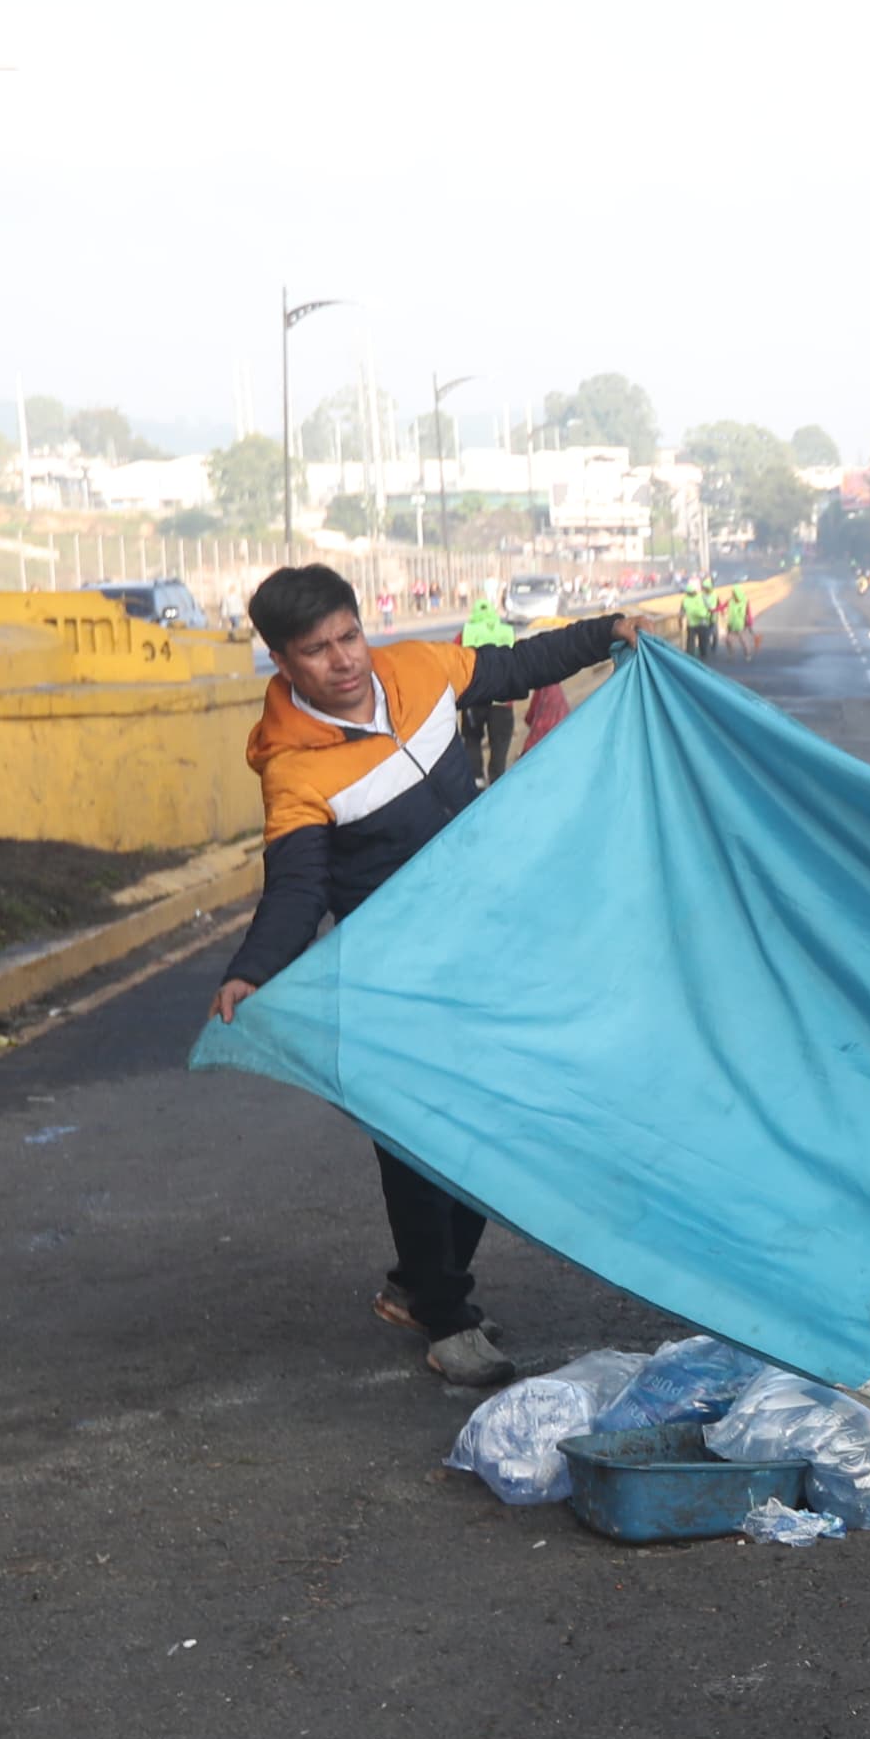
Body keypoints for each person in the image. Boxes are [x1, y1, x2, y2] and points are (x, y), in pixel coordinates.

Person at [210, 564, 638, 1385]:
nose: (343, 662)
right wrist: (252, 971)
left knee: (499, 1119)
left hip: (483, 946)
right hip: (393, 976)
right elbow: (297, 890)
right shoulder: (296, 771)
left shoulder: (415, 669)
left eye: (349, 636)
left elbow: (513, 667)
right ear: (281, 662)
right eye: (316, 651)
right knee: (414, 1142)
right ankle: (445, 1317)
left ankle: (417, 1285)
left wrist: (604, 632)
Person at [458, 590, 521, 782]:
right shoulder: (507, 632)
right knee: (499, 745)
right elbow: (519, 661)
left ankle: (476, 779)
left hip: (474, 699)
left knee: (472, 739)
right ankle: (496, 782)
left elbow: (455, 661)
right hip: (502, 700)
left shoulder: (466, 633)